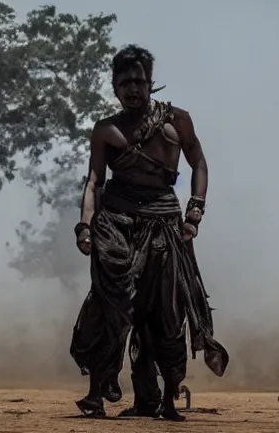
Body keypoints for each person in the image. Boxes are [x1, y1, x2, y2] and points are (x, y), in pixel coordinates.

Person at [70, 44, 228, 421]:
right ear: (113, 87)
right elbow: (94, 181)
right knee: (112, 303)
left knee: (163, 313)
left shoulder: (177, 120)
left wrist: (195, 210)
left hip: (164, 225)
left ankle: (158, 400)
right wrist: (85, 226)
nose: (132, 89)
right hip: (117, 223)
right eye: (124, 82)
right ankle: (98, 390)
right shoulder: (106, 130)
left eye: (139, 81)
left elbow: (199, 163)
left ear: (151, 82)